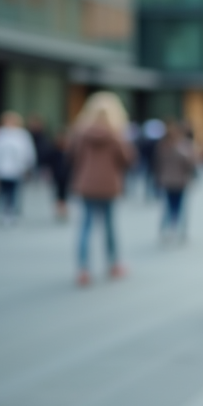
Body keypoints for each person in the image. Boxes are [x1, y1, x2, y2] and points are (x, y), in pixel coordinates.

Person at [68, 92, 135, 286]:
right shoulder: (116, 134)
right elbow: (127, 160)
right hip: (109, 185)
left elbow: (73, 157)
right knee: (109, 226)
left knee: (85, 227)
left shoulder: (81, 133)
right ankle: (114, 263)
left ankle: (83, 269)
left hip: (86, 185)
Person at [0, 111, 37, 224]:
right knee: (2, 191)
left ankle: (11, 212)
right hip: (0, 169)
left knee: (13, 191)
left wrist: (29, 166)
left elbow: (28, 152)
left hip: (17, 169)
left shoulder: (22, 134)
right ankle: (1, 212)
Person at [153, 121, 197, 242]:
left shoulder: (164, 146)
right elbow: (189, 163)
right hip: (176, 181)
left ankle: (172, 229)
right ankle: (174, 229)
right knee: (176, 206)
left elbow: (157, 165)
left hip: (171, 181)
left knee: (172, 206)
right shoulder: (179, 146)